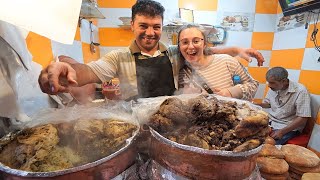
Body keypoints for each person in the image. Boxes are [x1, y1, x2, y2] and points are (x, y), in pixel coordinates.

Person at [38, 0, 264, 100]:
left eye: (156, 27)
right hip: (136, 122)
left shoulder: (174, 52)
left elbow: (200, 50)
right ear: (132, 26)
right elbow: (88, 72)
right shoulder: (118, 57)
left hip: (169, 121)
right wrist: (67, 70)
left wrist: (235, 49)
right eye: (143, 26)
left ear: (162, 27)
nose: (150, 33)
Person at [176, 24, 259, 100]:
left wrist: (232, 92)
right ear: (179, 47)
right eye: (185, 42)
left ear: (204, 44)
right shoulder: (182, 73)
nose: (190, 46)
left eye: (196, 41)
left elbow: (253, 85)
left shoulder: (227, 61)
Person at [256, 67, 311, 145]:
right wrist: (256, 105)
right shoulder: (274, 88)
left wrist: (282, 131)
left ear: (284, 81)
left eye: (272, 83)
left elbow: (303, 118)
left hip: (287, 126)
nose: (269, 85)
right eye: (268, 82)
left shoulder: (300, 91)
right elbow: (269, 104)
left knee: (267, 145)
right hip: (271, 121)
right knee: (251, 137)